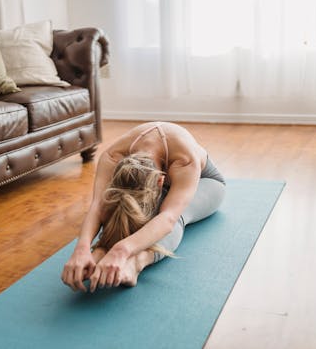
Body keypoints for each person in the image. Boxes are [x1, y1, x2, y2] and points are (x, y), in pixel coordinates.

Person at [61, 122, 225, 293]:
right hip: (153, 181)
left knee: (175, 215)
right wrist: (82, 248)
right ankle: (101, 251)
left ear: (160, 181)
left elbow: (168, 218)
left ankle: (137, 262)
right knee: (119, 205)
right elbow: (98, 206)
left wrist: (121, 251)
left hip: (206, 182)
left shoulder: (184, 160)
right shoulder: (112, 157)